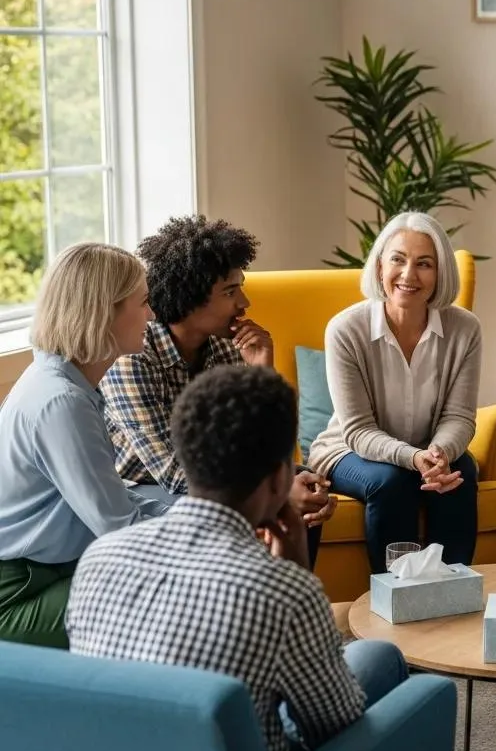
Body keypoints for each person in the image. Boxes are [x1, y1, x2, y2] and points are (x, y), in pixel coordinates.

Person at [67, 365, 436, 751]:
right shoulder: (280, 592)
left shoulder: (100, 559)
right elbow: (337, 728)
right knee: (380, 661)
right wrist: (299, 577)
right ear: (274, 479)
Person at [101, 215, 335, 563]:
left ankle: (286, 602)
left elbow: (261, 447)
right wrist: (279, 494)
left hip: (215, 474)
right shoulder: (133, 357)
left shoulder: (227, 348)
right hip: (145, 488)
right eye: (230, 292)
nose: (245, 303)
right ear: (188, 298)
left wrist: (261, 374)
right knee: (268, 500)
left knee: (304, 485)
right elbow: (174, 473)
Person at [0, 242, 170, 648]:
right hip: (18, 593)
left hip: (52, 568)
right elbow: (120, 530)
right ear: (104, 312)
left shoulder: (65, 381)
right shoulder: (62, 402)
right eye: (143, 303)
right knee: (176, 589)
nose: (151, 315)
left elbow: (117, 504)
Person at [307, 212, 480, 574]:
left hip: (428, 450)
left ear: (441, 272)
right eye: (398, 259)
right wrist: (414, 459)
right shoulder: (345, 329)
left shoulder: (465, 328)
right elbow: (357, 431)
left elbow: (460, 416)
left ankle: (451, 594)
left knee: (461, 473)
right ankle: (395, 600)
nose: (408, 275)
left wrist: (439, 454)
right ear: (380, 265)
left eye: (424, 264)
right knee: (392, 481)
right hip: (348, 450)